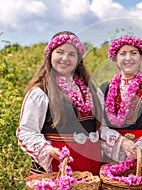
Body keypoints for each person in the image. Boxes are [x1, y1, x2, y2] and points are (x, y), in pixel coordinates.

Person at [16, 31, 102, 176]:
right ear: (50, 55)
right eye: (60, 52)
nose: (65, 58)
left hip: (90, 165)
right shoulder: (40, 92)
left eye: (71, 54)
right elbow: (26, 131)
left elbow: (100, 127)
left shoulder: (90, 90)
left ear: (78, 59)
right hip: (58, 163)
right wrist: (48, 150)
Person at [98, 35, 142, 166]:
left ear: (141, 57)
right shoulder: (104, 89)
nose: (128, 58)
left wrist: (140, 148)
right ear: (115, 58)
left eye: (133, 53)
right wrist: (122, 142)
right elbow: (99, 126)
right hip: (115, 155)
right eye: (122, 54)